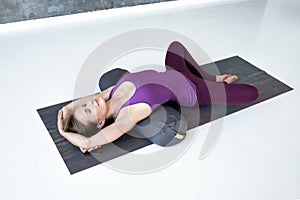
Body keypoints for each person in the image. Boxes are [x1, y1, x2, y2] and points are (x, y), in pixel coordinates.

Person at [57, 41, 259, 153]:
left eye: (84, 104)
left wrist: (66, 111)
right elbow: (87, 143)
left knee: (175, 47)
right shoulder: (128, 114)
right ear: (101, 122)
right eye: (88, 110)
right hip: (196, 93)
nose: (89, 103)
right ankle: (212, 83)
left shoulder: (107, 93)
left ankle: (210, 77)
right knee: (251, 93)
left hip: (176, 72)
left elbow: (79, 105)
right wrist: (66, 134)